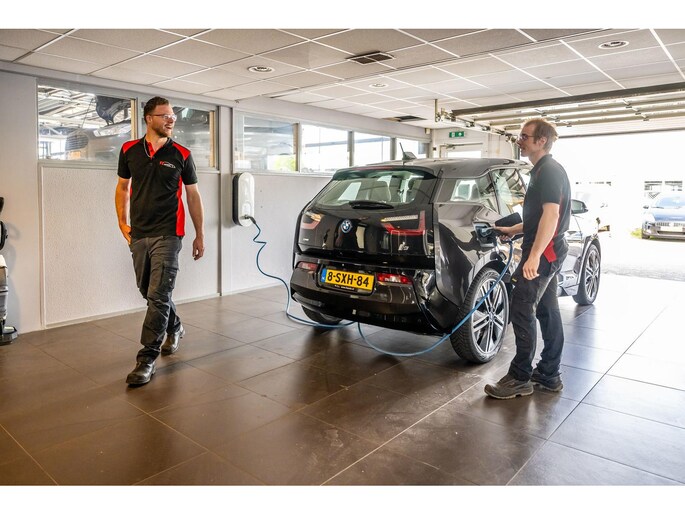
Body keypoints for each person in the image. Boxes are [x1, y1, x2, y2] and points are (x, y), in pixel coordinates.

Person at [115, 96, 205, 386]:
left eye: (173, 116)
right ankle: (175, 326)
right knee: (148, 291)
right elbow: (123, 187)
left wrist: (199, 234)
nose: (171, 120)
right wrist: (122, 221)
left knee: (158, 295)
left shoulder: (182, 154)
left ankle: (146, 359)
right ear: (148, 118)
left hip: (169, 233)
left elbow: (193, 195)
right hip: (140, 233)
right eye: (165, 115)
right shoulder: (129, 150)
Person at [484, 118, 571, 400]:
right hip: (547, 249)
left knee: (522, 308)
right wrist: (514, 229)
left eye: (524, 136)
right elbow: (539, 217)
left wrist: (533, 256)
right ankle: (549, 374)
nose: (519, 140)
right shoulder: (541, 170)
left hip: (544, 252)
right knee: (547, 311)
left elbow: (552, 216)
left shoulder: (549, 172)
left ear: (541, 141)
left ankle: (520, 377)